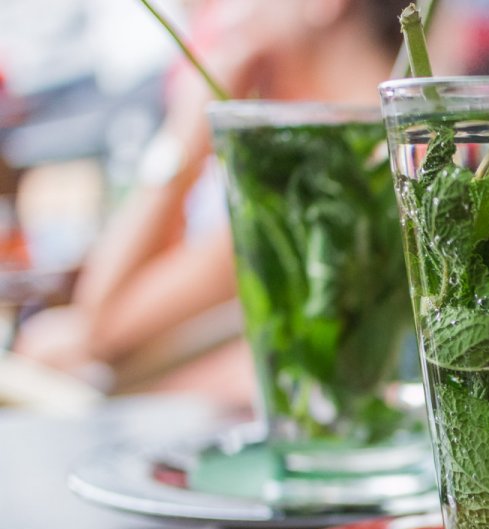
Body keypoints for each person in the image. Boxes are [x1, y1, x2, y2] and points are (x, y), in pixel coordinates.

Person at [14, 0, 405, 400]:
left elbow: (103, 319)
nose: (221, 15)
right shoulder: (371, 145)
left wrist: (185, 133)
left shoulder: (341, 170)